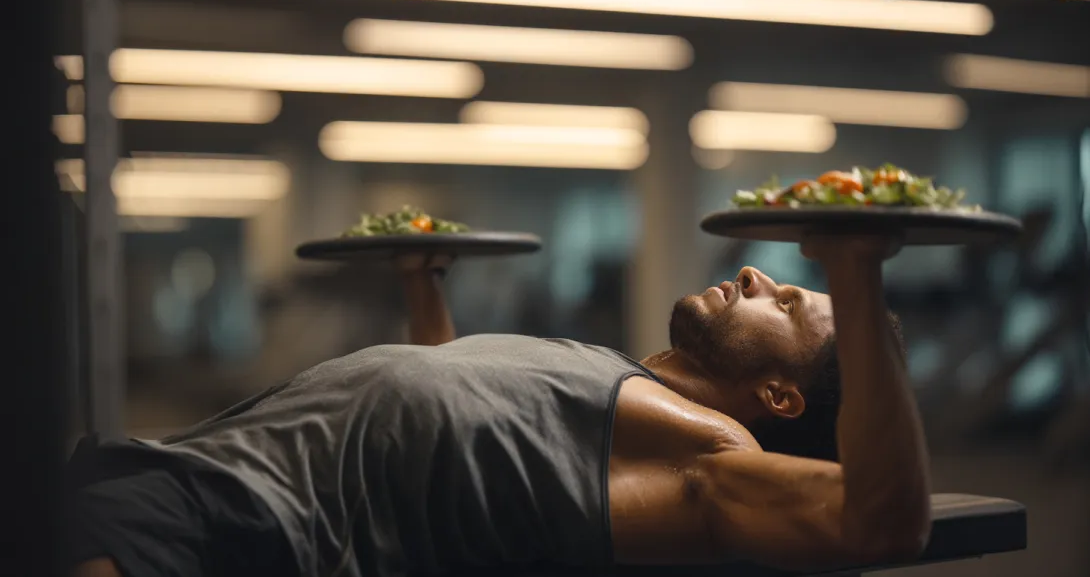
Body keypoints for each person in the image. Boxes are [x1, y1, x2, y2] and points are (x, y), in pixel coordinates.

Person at [67, 235, 931, 577]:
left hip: (238, 526)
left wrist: (856, 273)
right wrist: (426, 286)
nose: (755, 274)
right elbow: (453, 418)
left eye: (787, 302)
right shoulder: (620, 382)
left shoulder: (708, 454)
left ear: (781, 394)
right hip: (182, 468)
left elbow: (881, 522)